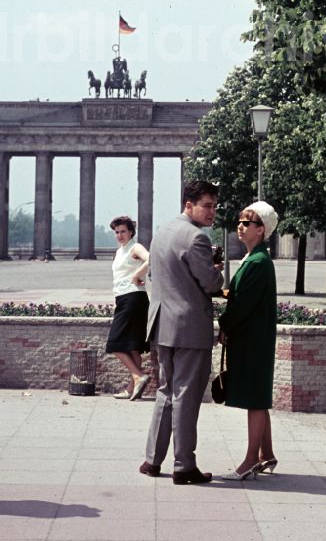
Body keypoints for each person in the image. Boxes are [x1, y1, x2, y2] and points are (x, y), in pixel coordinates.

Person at [140, 179, 223, 484]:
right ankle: (184, 465)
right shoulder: (195, 238)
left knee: (166, 391)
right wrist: (219, 273)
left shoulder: (162, 232)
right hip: (189, 327)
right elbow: (211, 284)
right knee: (186, 395)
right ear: (189, 204)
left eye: (214, 206)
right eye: (207, 206)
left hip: (163, 324)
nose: (212, 212)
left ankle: (152, 459)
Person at [217, 201, 278, 480]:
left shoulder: (257, 262)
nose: (240, 226)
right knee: (258, 398)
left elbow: (243, 304)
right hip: (255, 339)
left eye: (247, 223)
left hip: (253, 340)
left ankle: (250, 460)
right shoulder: (256, 259)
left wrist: (224, 324)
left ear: (261, 230)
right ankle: (266, 454)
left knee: (254, 399)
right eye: (240, 221)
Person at [105, 215, 151, 401]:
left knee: (114, 344)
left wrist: (137, 274)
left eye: (123, 231)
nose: (120, 235)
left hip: (133, 298)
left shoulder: (135, 247)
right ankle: (133, 388)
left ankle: (139, 376)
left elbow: (151, 259)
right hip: (125, 299)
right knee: (133, 347)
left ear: (131, 231)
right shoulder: (120, 251)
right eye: (117, 232)